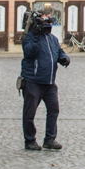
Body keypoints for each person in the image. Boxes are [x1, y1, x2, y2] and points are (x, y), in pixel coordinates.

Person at [19, 10, 69, 151]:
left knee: (54, 110)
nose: (47, 24)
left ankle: (50, 139)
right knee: (29, 113)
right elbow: (29, 52)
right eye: (44, 21)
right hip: (33, 81)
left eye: (49, 21)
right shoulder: (29, 37)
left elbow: (59, 51)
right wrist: (35, 34)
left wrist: (64, 58)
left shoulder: (52, 38)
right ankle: (29, 140)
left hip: (49, 82)